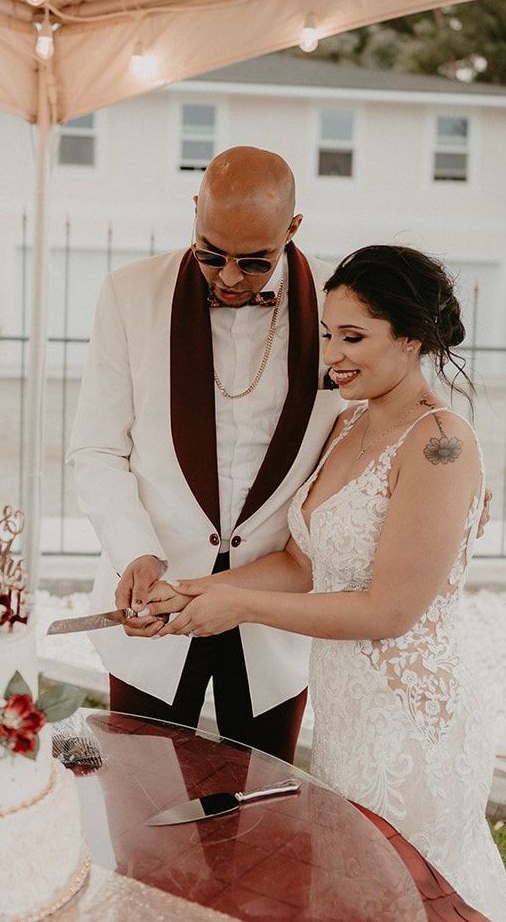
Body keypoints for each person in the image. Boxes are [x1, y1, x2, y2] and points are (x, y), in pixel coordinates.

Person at [148, 244, 506, 921]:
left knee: (413, 895)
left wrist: (238, 607)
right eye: (326, 335)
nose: (332, 355)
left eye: (353, 337)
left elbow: (388, 611)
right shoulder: (349, 423)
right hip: (349, 713)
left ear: (411, 338)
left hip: (411, 721)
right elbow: (301, 563)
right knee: (357, 888)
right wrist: (197, 590)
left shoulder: (441, 443)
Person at [66, 146, 344, 762]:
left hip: (274, 612)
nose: (230, 278)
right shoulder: (128, 294)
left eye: (254, 261)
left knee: (262, 798)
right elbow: (97, 447)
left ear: (293, 228)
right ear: (195, 211)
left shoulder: (341, 300)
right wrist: (135, 550)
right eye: (211, 253)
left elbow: (394, 394)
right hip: (154, 601)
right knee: (139, 790)